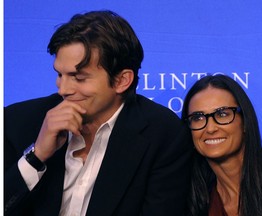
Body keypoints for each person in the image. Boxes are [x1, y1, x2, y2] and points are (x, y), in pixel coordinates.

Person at [4, 10, 193, 216]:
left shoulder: (163, 134)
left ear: (122, 80)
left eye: (79, 77)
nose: (63, 89)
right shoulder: (17, 121)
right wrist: (36, 156)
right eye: (60, 74)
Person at [181, 74, 262, 216]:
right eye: (198, 117)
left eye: (222, 114)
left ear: (245, 123)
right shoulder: (195, 204)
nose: (210, 129)